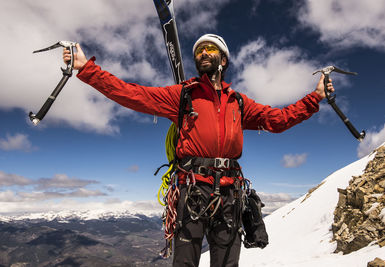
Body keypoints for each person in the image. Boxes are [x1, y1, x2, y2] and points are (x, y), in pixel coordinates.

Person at [63, 34, 334, 267]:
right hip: (193, 191)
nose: (203, 53)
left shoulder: (238, 102)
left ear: (223, 60)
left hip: (230, 192)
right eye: (199, 51)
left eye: (210, 49)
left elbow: (277, 120)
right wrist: (86, 69)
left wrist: (315, 97)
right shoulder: (183, 95)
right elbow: (132, 93)